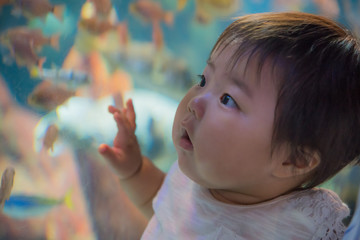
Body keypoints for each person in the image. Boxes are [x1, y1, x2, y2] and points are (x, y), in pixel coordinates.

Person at [98, 12, 360, 239]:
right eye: (203, 79)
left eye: (228, 100)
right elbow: (164, 210)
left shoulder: (296, 230)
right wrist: (134, 170)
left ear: (294, 159)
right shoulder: (205, 180)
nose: (195, 101)